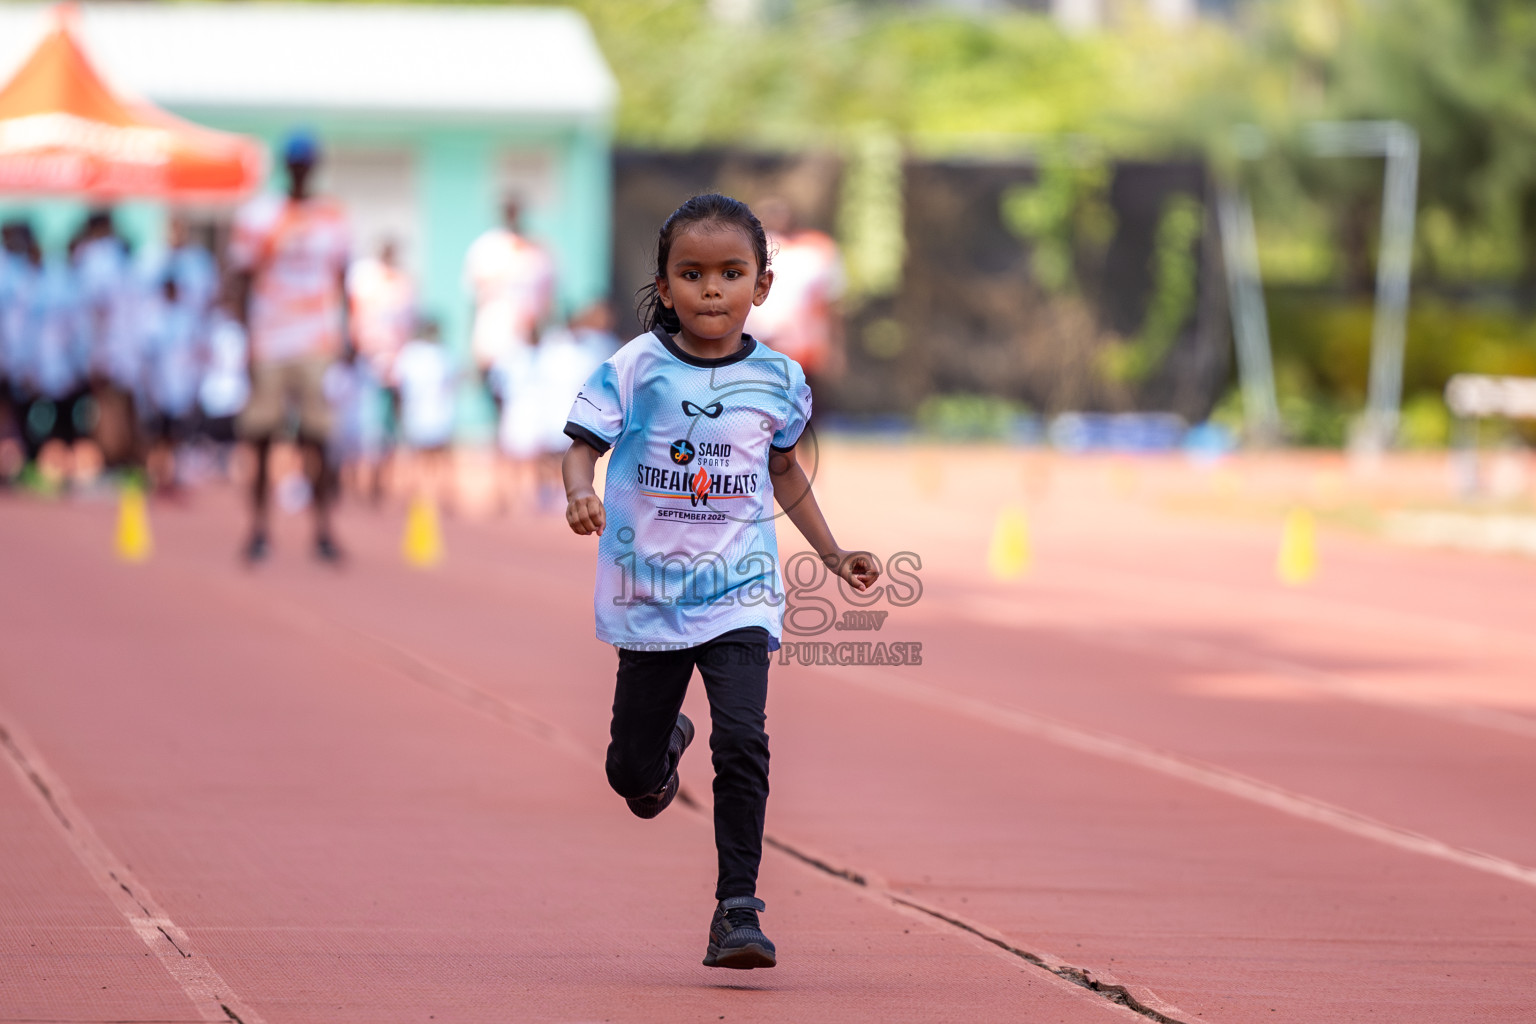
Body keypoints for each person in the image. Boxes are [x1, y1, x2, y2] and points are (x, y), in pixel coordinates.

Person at [561, 194, 879, 970]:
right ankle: (661, 742)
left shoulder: (779, 379)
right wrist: (579, 491)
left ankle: (738, 908)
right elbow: (580, 446)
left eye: (731, 274)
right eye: (693, 274)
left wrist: (834, 556)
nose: (712, 289)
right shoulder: (637, 367)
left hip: (741, 591)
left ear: (761, 286)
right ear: (665, 287)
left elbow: (785, 474)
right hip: (650, 595)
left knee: (744, 739)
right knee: (630, 776)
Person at [227, 130, 351, 563]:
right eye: (296, 162)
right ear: (287, 166)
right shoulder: (260, 215)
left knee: (317, 440)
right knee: (260, 439)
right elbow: (239, 280)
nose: (302, 169)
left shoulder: (332, 217)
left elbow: (343, 279)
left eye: (308, 161)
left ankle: (322, 530)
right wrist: (244, 340)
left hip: (316, 340)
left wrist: (347, 334)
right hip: (270, 341)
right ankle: (259, 529)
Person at [743, 196, 846, 418]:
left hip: (803, 345)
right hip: (758, 342)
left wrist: (834, 346)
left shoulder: (817, 249)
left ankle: (801, 451)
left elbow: (831, 302)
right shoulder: (746, 249)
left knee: (803, 408)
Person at [463, 198, 554, 413]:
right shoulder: (486, 248)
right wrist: (471, 345)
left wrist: (542, 334)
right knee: (496, 396)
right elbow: (473, 301)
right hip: (493, 336)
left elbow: (548, 301)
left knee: (524, 401)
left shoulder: (538, 250)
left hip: (527, 337)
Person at [391, 317, 457, 510]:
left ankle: (421, 494)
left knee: (418, 456)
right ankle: (440, 495)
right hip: (437, 413)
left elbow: (397, 384)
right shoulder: (441, 354)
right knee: (438, 457)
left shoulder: (411, 354)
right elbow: (453, 382)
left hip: (418, 413)